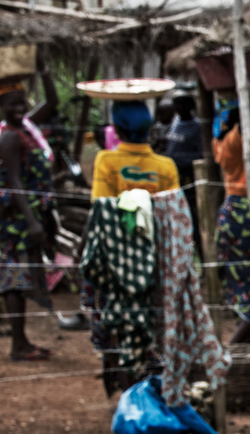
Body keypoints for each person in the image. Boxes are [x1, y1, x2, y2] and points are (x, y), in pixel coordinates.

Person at [85, 99, 180, 394]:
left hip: (116, 260)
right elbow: (171, 216)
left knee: (116, 320)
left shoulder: (106, 161)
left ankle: (123, 390)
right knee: (149, 325)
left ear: (117, 128)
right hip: (154, 259)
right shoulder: (165, 166)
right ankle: (149, 391)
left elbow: (101, 208)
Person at [0, 58, 59, 361]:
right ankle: (18, 345)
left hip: (24, 213)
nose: (19, 108)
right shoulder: (11, 136)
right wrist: (32, 222)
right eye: (12, 104)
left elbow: (51, 101)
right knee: (13, 275)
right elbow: (14, 181)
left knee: (19, 273)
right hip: (15, 218)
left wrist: (45, 70)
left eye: (22, 102)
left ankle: (22, 342)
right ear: (1, 107)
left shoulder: (25, 126)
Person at [211, 96, 250, 345]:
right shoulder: (233, 141)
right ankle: (231, 354)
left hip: (238, 213)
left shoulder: (226, 143)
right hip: (244, 214)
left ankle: (244, 353)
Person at [163, 89, 204, 250]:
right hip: (173, 177)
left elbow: (200, 154)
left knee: (191, 214)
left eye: (182, 103)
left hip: (188, 178)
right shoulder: (175, 123)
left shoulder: (197, 127)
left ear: (191, 105)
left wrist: (179, 160)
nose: (178, 107)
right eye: (176, 103)